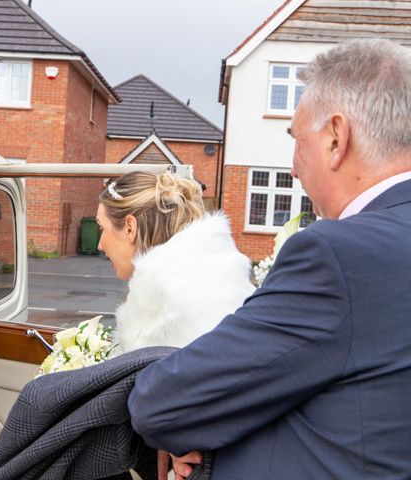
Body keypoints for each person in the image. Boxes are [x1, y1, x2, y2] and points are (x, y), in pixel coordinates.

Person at [128, 39, 411, 479]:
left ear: (337, 138)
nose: (294, 169)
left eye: (296, 139)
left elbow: (163, 403)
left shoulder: (337, 255)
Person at [97, 171, 255, 353]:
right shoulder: (205, 276)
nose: (100, 245)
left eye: (102, 228)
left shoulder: (177, 299)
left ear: (130, 228)